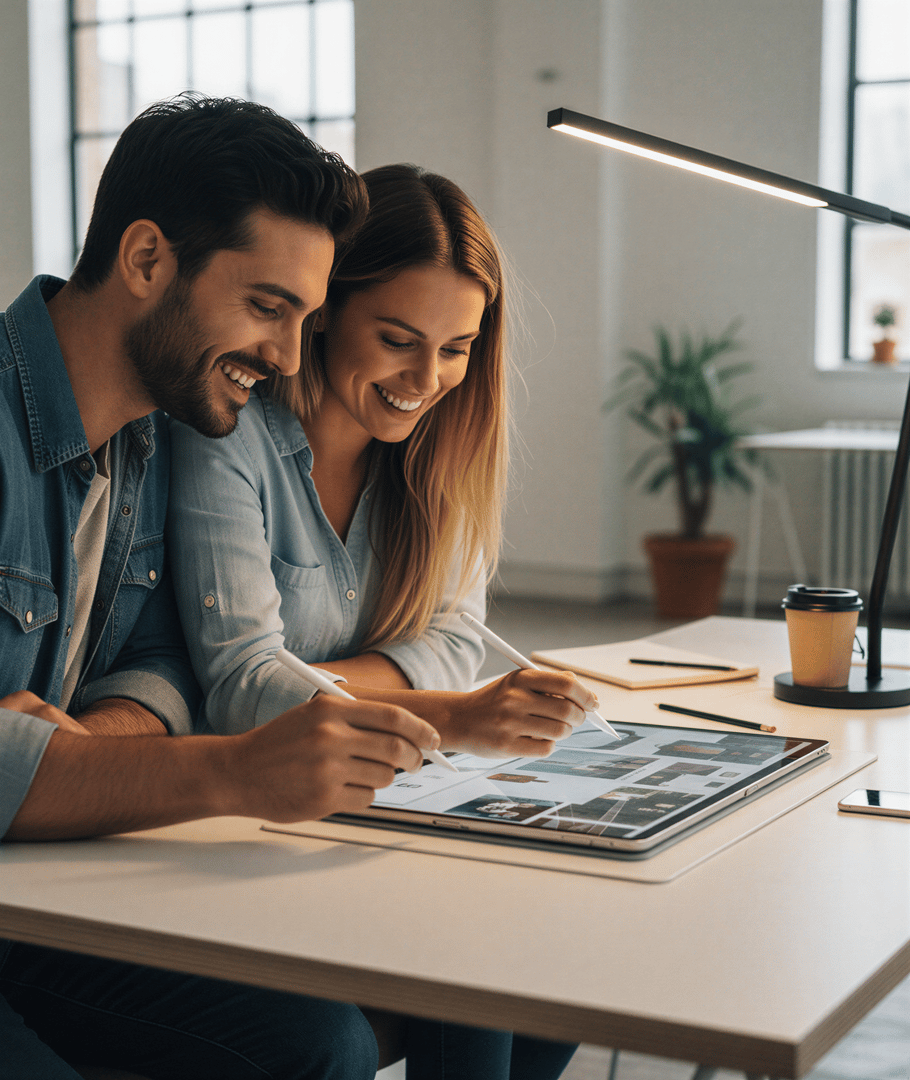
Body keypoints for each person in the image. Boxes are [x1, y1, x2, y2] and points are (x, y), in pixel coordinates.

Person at [0, 96, 443, 1080]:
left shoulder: (156, 435)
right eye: (268, 307)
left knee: (323, 1041)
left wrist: (84, 745)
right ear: (148, 259)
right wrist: (232, 773)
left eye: (305, 320)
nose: (290, 358)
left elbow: (163, 664)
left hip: (31, 886)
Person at [169, 164, 596, 1078]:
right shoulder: (228, 440)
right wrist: (449, 715)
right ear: (324, 311)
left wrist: (327, 680)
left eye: (456, 347)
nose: (427, 378)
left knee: (553, 962)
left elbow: (452, 639)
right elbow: (243, 681)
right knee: (475, 964)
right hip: (241, 835)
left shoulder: (442, 457)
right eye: (398, 338)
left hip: (371, 807)